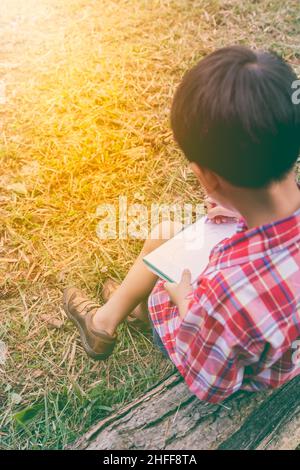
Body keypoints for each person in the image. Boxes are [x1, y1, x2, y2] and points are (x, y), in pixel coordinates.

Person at [63, 45, 300, 403]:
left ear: (205, 177)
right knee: (174, 237)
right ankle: (129, 310)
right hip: (277, 352)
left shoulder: (226, 296)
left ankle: (112, 320)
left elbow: (209, 382)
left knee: (163, 238)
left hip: (221, 355)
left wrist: (185, 302)